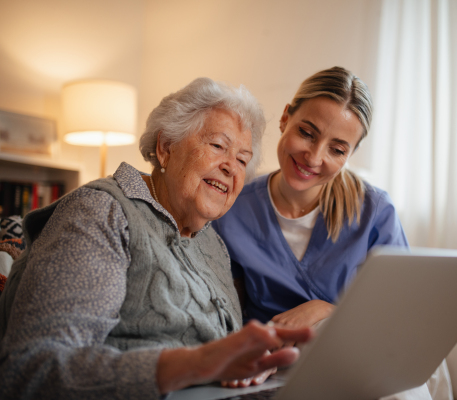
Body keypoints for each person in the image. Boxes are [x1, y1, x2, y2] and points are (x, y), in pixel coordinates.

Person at [0, 77, 312, 400]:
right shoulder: (102, 212)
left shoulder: (213, 245)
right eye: (218, 146)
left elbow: (220, 357)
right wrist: (193, 365)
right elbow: (31, 368)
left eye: (243, 159)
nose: (231, 168)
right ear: (165, 148)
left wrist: (250, 364)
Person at [212, 67, 453, 399]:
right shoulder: (233, 209)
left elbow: (404, 316)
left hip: (364, 360)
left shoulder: (374, 212)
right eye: (307, 133)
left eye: (337, 150)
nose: (314, 157)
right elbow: (223, 308)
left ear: (350, 155)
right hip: (280, 364)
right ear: (285, 118)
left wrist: (330, 311)